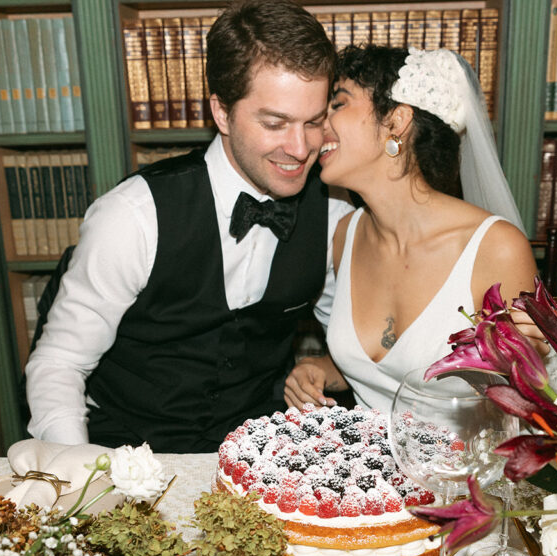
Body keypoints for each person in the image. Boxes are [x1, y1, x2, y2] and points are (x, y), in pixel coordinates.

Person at [25, 0, 351, 453]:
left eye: (313, 122)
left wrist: (323, 365)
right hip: (121, 450)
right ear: (221, 113)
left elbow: (354, 344)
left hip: (256, 454)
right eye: (275, 123)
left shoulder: (333, 211)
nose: (300, 148)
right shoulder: (132, 215)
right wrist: (81, 471)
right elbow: (59, 363)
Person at [285, 45, 557, 413]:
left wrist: (524, 360)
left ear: (397, 121)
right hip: (369, 465)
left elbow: (530, 399)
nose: (318, 127)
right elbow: (385, 369)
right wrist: (318, 369)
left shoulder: (494, 248)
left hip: (465, 466)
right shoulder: (344, 235)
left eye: (338, 104)